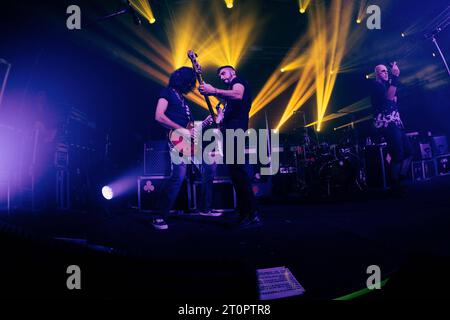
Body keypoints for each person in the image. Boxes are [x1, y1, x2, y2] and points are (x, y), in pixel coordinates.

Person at [199, 65, 261, 228]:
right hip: (229, 132)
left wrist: (214, 91)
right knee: (235, 174)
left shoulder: (238, 82)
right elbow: (222, 117)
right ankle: (245, 212)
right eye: (219, 74)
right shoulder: (227, 98)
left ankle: (252, 214)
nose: (221, 76)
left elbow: (238, 94)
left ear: (233, 72)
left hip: (236, 132)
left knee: (239, 173)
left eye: (223, 73)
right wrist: (218, 120)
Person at [154, 67, 198, 230]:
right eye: (190, 81)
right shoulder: (167, 92)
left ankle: (202, 208)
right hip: (175, 139)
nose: (192, 85)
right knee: (178, 175)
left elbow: (189, 126)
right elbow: (159, 116)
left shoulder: (182, 100)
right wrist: (181, 129)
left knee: (189, 174)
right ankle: (159, 216)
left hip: (185, 141)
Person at [370, 62, 413, 193]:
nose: (386, 72)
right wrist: (395, 77)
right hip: (386, 124)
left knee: (409, 152)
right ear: (377, 74)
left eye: (386, 71)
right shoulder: (376, 85)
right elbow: (388, 98)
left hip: (395, 122)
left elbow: (392, 100)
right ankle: (394, 185)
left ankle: (399, 179)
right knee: (398, 155)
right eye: (383, 71)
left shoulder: (386, 85)